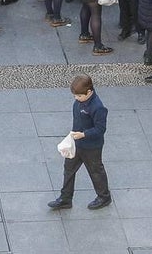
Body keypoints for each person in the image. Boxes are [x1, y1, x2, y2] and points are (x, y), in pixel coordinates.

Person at [47, 73, 111, 210]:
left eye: (79, 96)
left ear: (89, 92)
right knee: (69, 170)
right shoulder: (79, 102)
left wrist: (84, 134)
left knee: (95, 171)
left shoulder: (98, 107)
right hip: (76, 143)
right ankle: (65, 199)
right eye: (75, 96)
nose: (76, 98)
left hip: (92, 147)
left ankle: (104, 197)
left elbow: (100, 129)